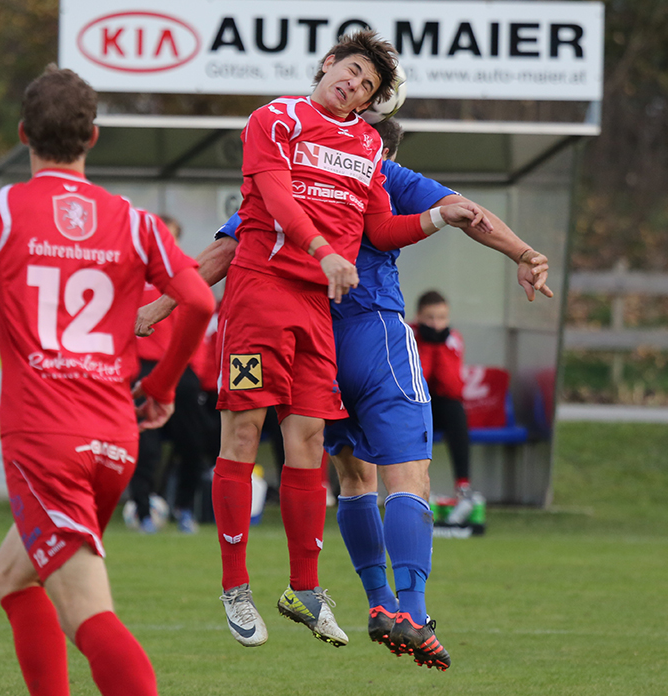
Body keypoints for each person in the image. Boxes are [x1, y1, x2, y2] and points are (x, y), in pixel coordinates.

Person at [136, 115, 551, 669]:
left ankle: (373, 600)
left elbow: (229, 249)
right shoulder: (386, 173)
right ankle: (410, 610)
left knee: (353, 477)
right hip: (373, 332)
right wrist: (523, 253)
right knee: (409, 474)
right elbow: (469, 214)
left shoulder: (294, 172)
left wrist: (161, 304)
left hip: (316, 339)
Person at [0, 66, 214, 696]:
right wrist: (163, 388)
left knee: (89, 614)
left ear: (23, 134)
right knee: (14, 577)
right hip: (112, 440)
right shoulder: (135, 222)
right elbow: (198, 301)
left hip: (44, 441)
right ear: (92, 138)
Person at [209, 30, 492, 651]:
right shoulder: (276, 119)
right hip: (262, 298)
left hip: (321, 313)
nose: (355, 86)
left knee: (313, 443)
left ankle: (308, 590)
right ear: (328, 62)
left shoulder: (367, 148)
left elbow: (382, 227)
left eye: (368, 86)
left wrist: (441, 219)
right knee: (245, 434)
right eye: (353, 70)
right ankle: (236, 586)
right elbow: (264, 209)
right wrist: (320, 250)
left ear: (370, 106)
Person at [131, 215, 212, 534]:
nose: (168, 242)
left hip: (182, 370)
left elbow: (200, 320)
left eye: (173, 236)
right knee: (145, 446)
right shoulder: (133, 273)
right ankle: (143, 511)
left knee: (192, 443)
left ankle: (184, 509)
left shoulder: (187, 274)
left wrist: (198, 373)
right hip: (144, 367)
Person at [412, 289, 477, 527]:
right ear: (419, 316)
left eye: (441, 318)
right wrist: (429, 347)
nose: (436, 324)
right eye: (430, 318)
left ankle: (463, 487)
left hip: (440, 404)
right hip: (414, 403)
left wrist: (438, 347)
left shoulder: (453, 339)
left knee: (455, 410)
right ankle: (411, 489)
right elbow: (417, 381)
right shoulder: (408, 335)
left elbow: (452, 387)